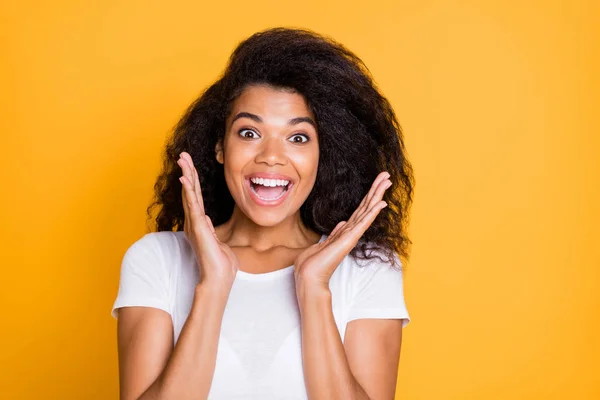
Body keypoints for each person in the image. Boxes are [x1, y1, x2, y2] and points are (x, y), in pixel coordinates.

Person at [111, 27, 414, 400]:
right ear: (220, 147)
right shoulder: (156, 259)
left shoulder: (368, 269)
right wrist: (214, 285)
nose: (271, 155)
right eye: (249, 133)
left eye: (298, 137)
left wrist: (314, 287)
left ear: (324, 154)